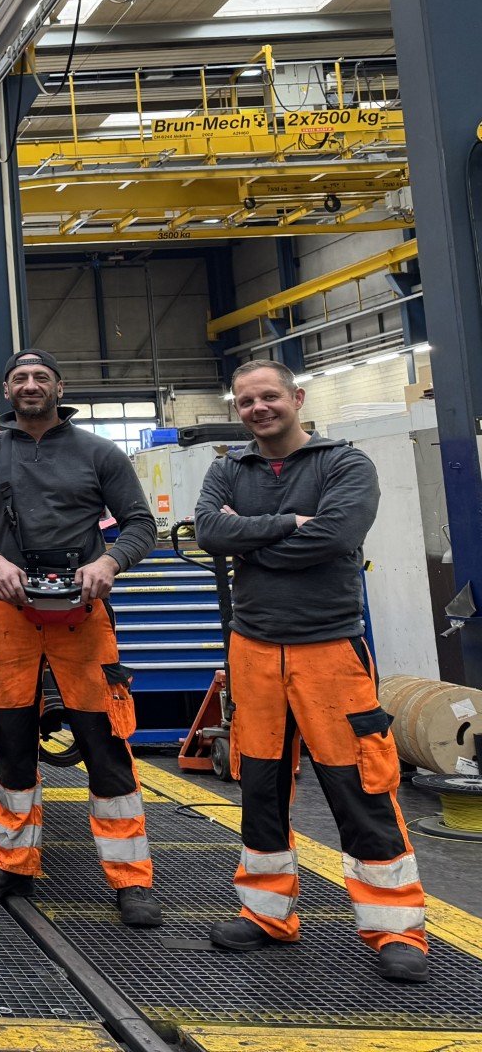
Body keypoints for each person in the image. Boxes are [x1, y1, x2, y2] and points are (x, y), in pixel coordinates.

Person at [194, 359, 429, 982]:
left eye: (269, 396)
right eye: (246, 401)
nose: (258, 408)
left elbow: (335, 535)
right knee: (259, 785)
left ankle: (395, 928)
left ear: (296, 397)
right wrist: (279, 527)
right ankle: (266, 912)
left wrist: (254, 543)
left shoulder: (345, 464)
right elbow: (210, 532)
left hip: (328, 649)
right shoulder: (228, 468)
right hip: (253, 649)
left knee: (361, 786)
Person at [0, 349, 161, 927]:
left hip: (83, 616)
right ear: (6, 390)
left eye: (41, 376)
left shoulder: (98, 453)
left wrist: (111, 562)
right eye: (20, 378)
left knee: (105, 744)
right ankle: (12, 862)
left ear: (59, 387)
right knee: (11, 741)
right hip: (8, 615)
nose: (31, 384)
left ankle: (131, 879)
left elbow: (142, 523)